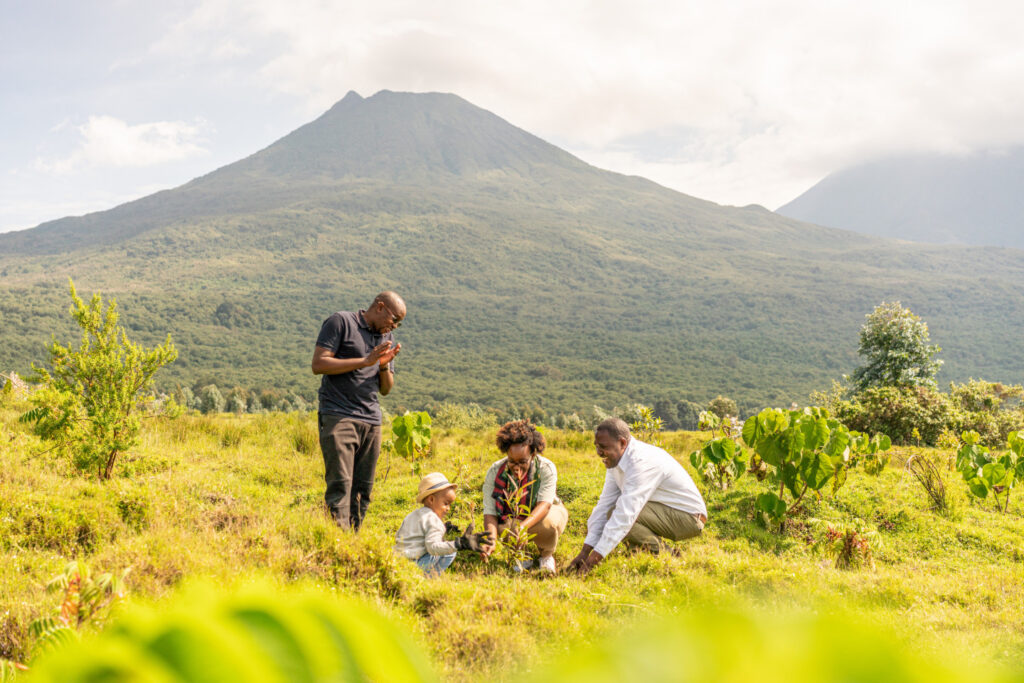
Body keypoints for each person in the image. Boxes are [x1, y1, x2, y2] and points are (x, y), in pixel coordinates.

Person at [567, 417, 707, 576]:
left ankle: (666, 553)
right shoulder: (616, 462)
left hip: (689, 518)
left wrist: (592, 561)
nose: (599, 453)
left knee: (618, 514)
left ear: (622, 443)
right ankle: (641, 553)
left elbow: (625, 515)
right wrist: (585, 552)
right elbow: (604, 504)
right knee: (611, 511)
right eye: (597, 446)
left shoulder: (641, 463)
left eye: (603, 447)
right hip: (663, 510)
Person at [312, 291, 405, 529]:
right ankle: (336, 542)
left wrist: (383, 367)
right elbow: (319, 364)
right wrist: (365, 361)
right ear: (380, 307)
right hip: (339, 415)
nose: (393, 326)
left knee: (363, 488)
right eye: (394, 320)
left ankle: (354, 540)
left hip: (371, 420)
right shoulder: (341, 322)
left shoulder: (386, 337)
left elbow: (386, 389)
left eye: (398, 324)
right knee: (341, 484)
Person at [481, 420, 568, 573]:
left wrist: (521, 528)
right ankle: (523, 556)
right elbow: (490, 511)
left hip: (547, 512)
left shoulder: (545, 468)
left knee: (549, 524)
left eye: (522, 462)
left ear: (533, 454)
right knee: (506, 526)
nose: (516, 467)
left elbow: (545, 505)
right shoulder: (495, 472)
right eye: (512, 462)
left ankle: (546, 555)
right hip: (515, 515)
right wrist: (491, 539)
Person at [394, 472, 492, 576]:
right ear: (431, 499)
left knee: (441, 545)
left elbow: (398, 537)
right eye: (446, 503)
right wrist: (459, 544)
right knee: (450, 552)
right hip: (416, 566)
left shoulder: (412, 515)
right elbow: (433, 548)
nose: (448, 508)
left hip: (399, 563)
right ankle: (429, 576)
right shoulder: (434, 521)